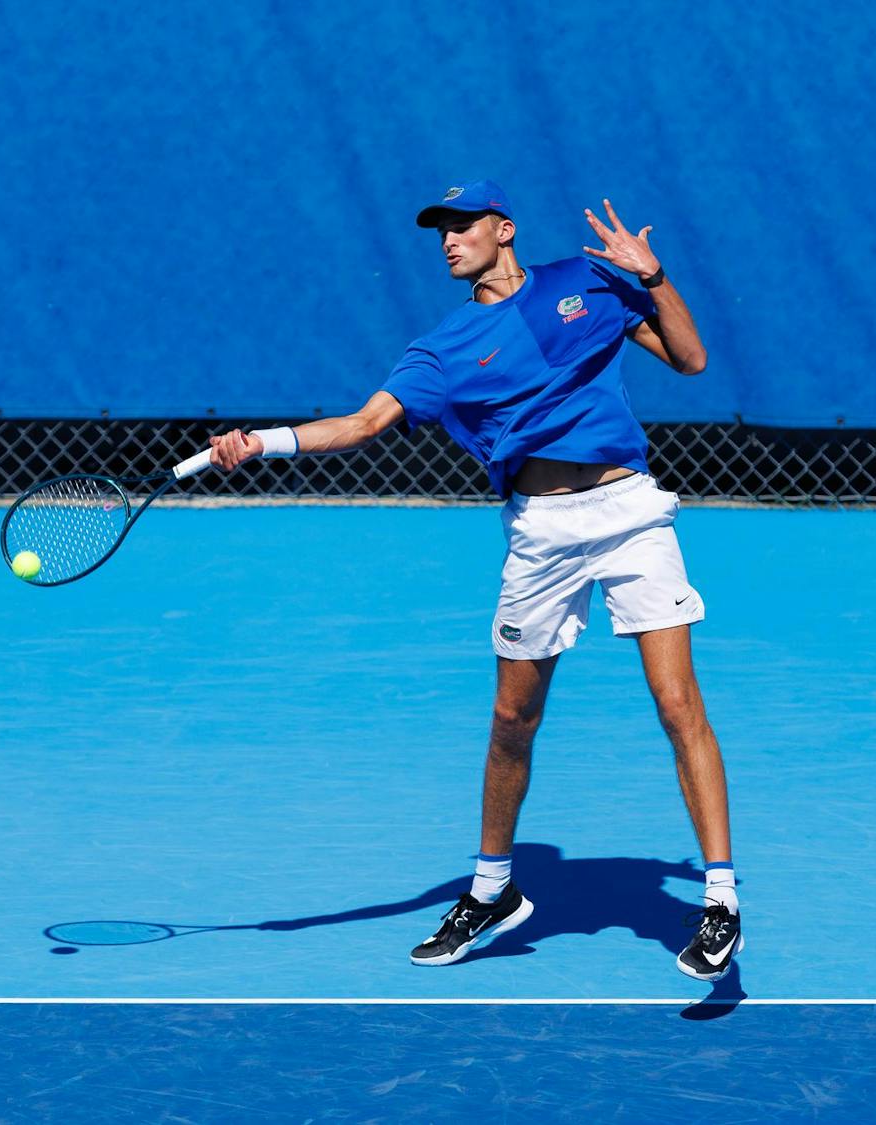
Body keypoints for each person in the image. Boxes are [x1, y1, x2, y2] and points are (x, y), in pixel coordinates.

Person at [208, 181, 741, 982]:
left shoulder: (587, 282)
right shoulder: (442, 350)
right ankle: (492, 888)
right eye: (441, 231)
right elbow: (361, 424)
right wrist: (262, 440)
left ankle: (720, 901)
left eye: (463, 226)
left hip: (631, 512)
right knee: (511, 718)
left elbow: (692, 360)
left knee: (677, 702)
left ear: (504, 229)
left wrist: (655, 279)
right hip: (540, 533)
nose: (449, 240)